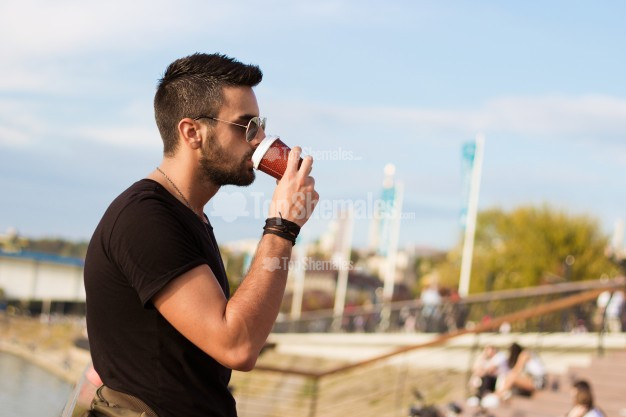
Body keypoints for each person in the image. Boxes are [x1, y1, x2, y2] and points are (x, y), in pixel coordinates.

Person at [83, 53, 318, 417]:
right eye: (246, 126)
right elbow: (237, 345)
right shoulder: (145, 219)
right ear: (192, 132)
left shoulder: (189, 215)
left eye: (260, 125)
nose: (259, 140)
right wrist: (282, 227)